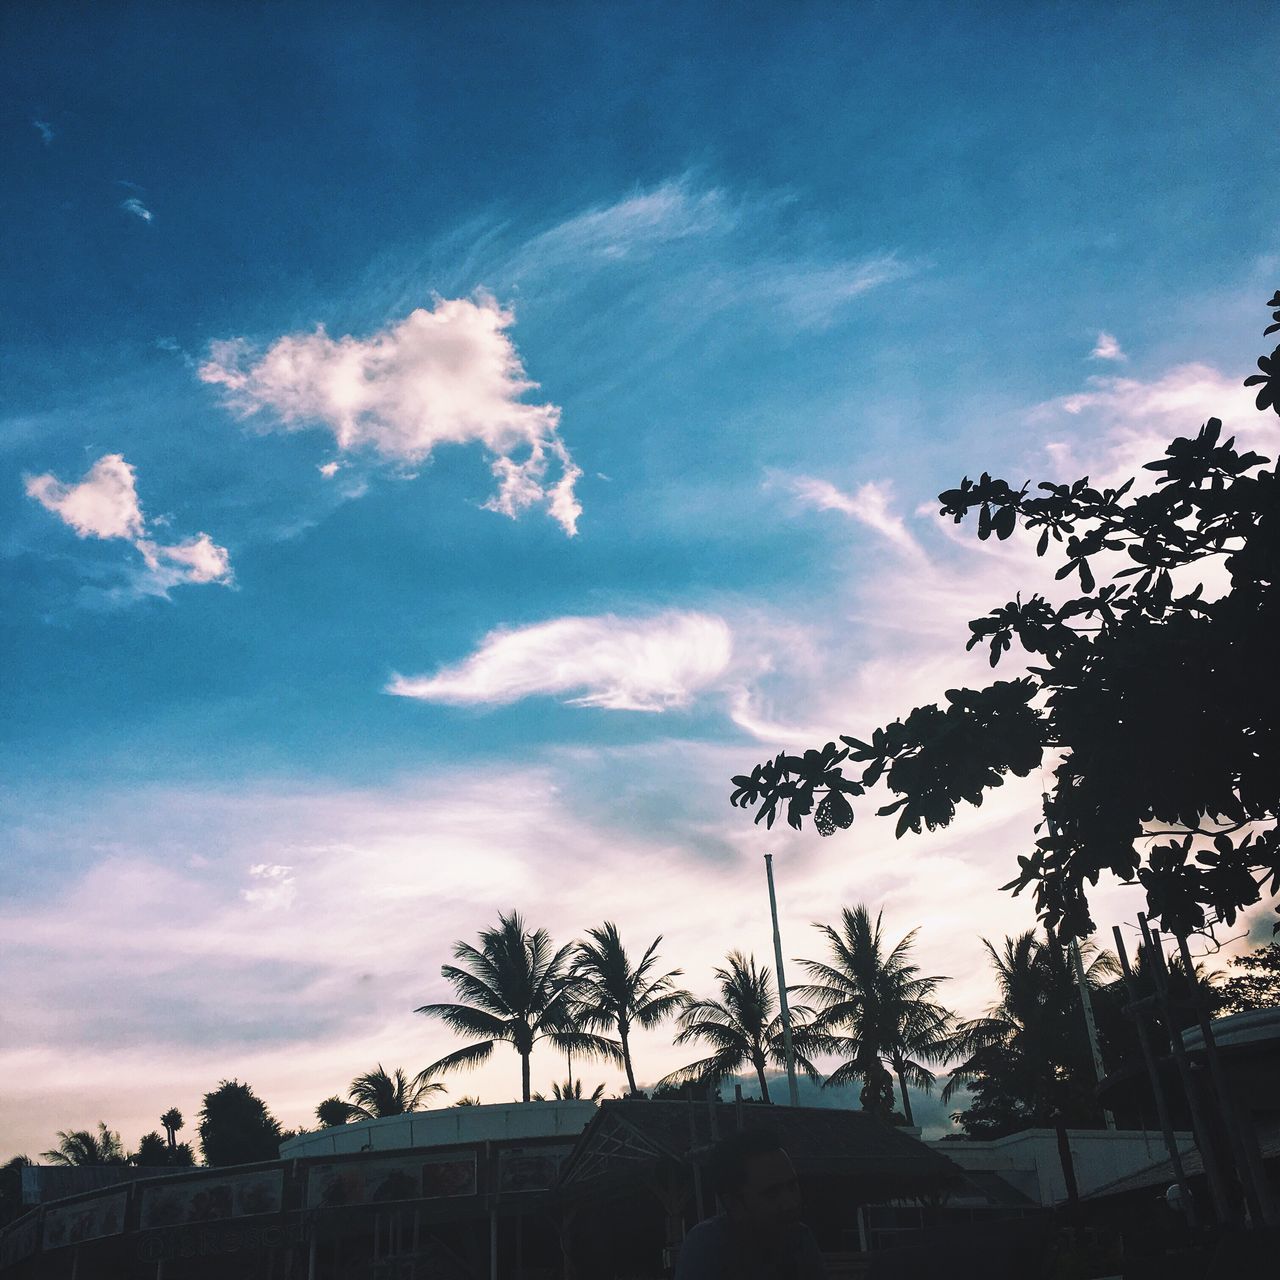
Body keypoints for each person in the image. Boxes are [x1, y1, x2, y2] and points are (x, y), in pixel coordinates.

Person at [675, 1127, 827, 1279]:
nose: (790, 1202)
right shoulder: (705, 1248)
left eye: (792, 1186)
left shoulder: (800, 1239)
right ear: (734, 1204)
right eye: (772, 1193)